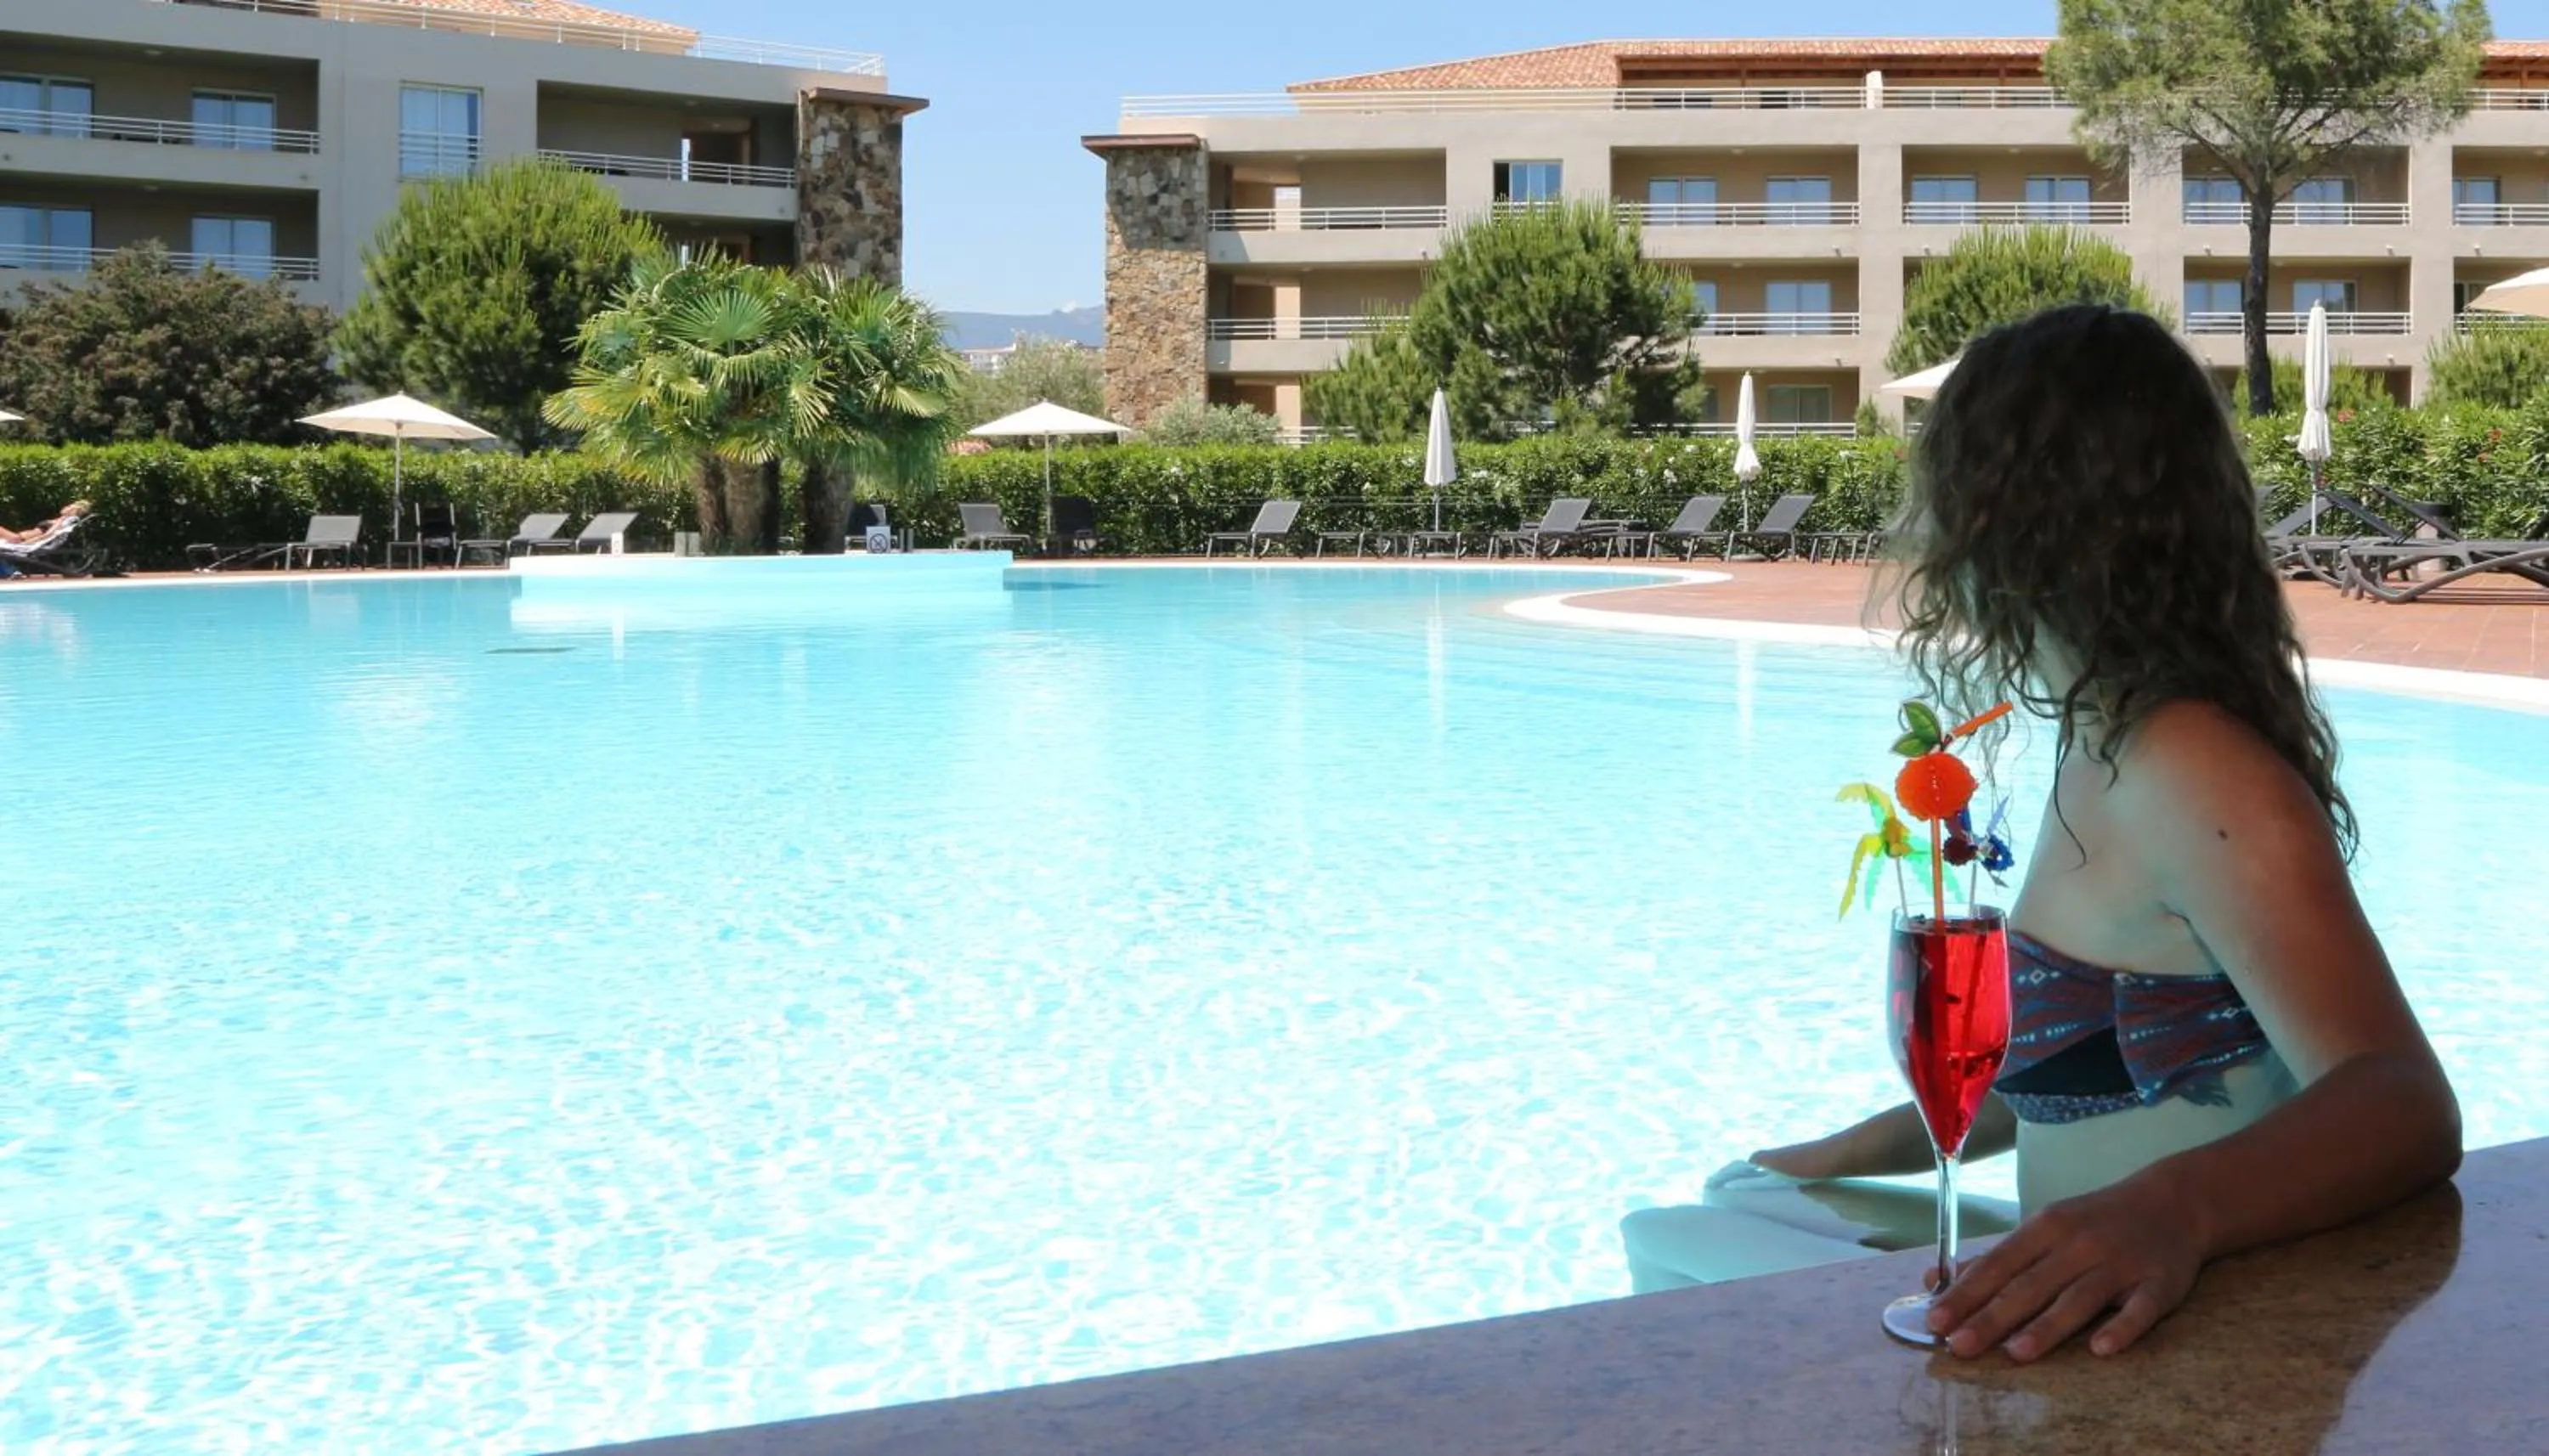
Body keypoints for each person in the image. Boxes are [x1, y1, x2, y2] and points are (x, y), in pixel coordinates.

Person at [1623, 305, 2461, 1362]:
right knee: (1740, 1193)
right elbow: (2090, 1064)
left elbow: (2403, 1100)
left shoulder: (2192, 765)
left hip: (2173, 1295)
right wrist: (1854, 1148)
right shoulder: (2101, 744)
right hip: (2084, 1256)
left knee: (1663, 1242)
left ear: (2009, 515)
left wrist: (2171, 1212)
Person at [0, 498, 91, 545]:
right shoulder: (58, 520)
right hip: (18, 537)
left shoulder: (60, 522)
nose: (65, 507)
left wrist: (26, 544)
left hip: (18, 539)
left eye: (68, 507)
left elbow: (47, 535)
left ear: (72, 511)